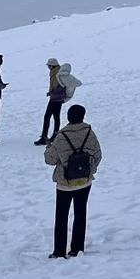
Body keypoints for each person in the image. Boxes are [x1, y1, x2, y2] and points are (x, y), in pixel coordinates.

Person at [44, 103, 102, 259]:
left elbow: (50, 159)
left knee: (61, 217)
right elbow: (98, 155)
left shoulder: (61, 136)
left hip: (65, 184)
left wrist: (48, 149)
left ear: (68, 117)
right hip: (85, 181)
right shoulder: (89, 132)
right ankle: (77, 248)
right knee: (80, 213)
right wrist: (90, 170)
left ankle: (59, 251)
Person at [35, 59, 80, 146]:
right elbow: (55, 85)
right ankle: (54, 135)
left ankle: (44, 137)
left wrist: (53, 92)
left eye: (48, 66)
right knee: (56, 116)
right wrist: (51, 91)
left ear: (52, 66)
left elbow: (61, 84)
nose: (48, 67)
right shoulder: (56, 72)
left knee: (47, 117)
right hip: (57, 98)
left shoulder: (58, 73)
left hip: (55, 98)